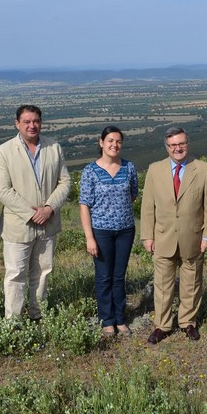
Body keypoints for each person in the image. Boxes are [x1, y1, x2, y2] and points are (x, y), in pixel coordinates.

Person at [140, 126, 207, 343]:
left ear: (188, 144)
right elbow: (148, 206)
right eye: (173, 145)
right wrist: (147, 235)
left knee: (191, 282)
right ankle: (162, 326)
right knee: (162, 285)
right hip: (162, 237)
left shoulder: (202, 169)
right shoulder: (154, 170)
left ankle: (188, 322)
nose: (178, 148)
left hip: (193, 237)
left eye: (181, 144)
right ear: (167, 147)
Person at [0, 105, 70, 321]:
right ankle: (13, 323)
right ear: (17, 124)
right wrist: (31, 213)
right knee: (16, 274)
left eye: (35, 121)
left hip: (48, 223)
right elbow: (3, 190)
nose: (32, 125)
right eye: (26, 121)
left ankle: (38, 316)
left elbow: (65, 182)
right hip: (19, 226)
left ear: (41, 122)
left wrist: (48, 209)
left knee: (44, 271)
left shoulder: (53, 147)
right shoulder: (4, 151)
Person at [79, 126, 138, 336]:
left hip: (125, 230)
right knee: (104, 276)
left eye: (119, 141)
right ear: (101, 142)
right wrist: (89, 238)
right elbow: (84, 205)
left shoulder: (129, 168)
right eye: (110, 140)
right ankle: (107, 320)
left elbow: (132, 195)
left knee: (119, 276)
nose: (115, 145)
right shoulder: (90, 171)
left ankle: (120, 318)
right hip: (101, 231)